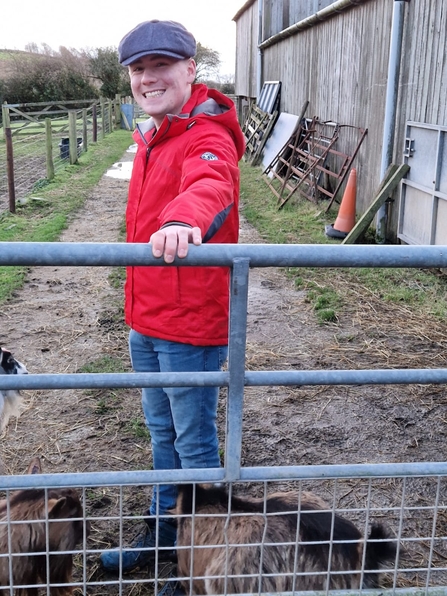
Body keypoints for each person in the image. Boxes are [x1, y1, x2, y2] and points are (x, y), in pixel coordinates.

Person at [100, 19, 245, 576]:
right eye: (138, 69)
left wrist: (185, 220)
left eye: (160, 65)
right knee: (162, 434)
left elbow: (210, 182)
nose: (147, 77)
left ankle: (199, 560)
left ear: (191, 69)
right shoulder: (156, 132)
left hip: (188, 321)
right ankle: (166, 536)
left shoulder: (206, 133)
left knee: (194, 443)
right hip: (147, 316)